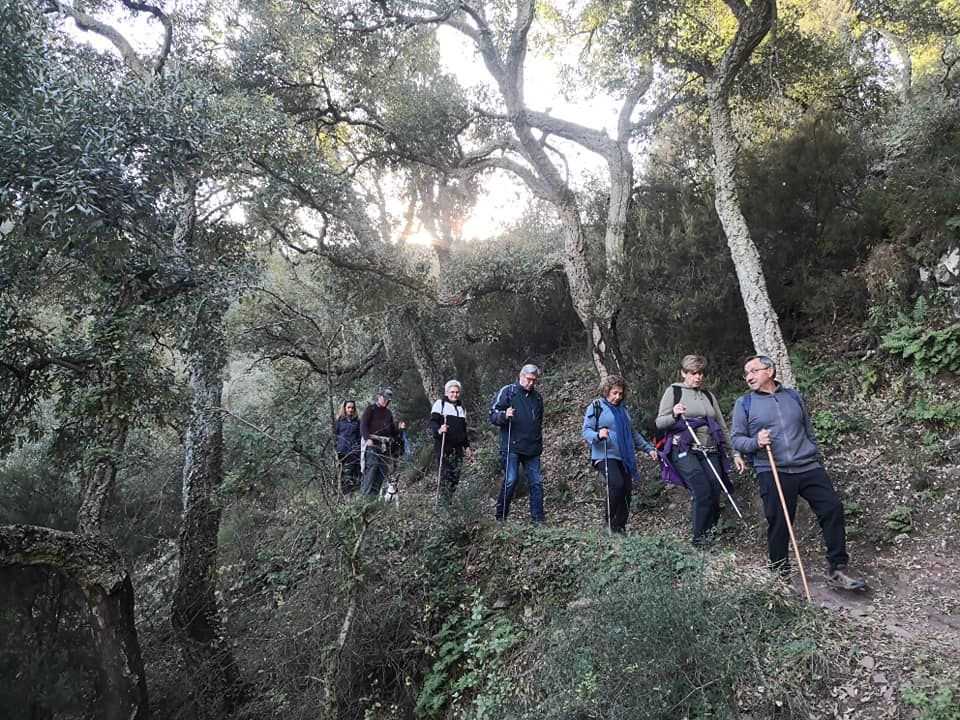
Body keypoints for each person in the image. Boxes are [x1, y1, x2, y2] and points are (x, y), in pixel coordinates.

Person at [731, 355, 865, 589]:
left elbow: (808, 431)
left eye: (754, 370)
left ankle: (838, 569)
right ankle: (779, 577)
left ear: (770, 371)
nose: (749, 376)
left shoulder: (792, 396)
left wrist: (817, 459)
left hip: (808, 466)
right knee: (780, 522)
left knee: (832, 508)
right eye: (746, 373)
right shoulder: (744, 404)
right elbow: (737, 440)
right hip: (772, 469)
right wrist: (756, 442)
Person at [656, 354, 746, 546]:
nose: (697, 377)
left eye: (700, 373)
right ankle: (699, 543)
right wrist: (674, 414)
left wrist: (735, 453)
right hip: (684, 449)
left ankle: (709, 536)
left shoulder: (708, 396)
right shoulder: (674, 392)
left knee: (715, 489)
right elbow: (660, 422)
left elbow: (721, 426)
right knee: (702, 490)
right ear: (683, 373)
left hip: (710, 448)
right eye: (692, 373)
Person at [582, 374, 658, 533]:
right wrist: (598, 435)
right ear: (606, 390)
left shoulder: (623, 411)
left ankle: (619, 527)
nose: (617, 396)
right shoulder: (596, 407)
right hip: (604, 454)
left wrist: (648, 448)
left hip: (624, 456)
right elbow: (586, 431)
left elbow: (633, 434)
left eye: (620, 394)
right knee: (617, 484)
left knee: (626, 492)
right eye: (614, 392)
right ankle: (608, 523)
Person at [489, 364, 545, 523]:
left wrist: (538, 444)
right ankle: (501, 517)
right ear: (521, 376)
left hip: (532, 448)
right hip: (511, 446)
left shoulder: (537, 398)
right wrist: (504, 415)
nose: (531, 383)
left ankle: (538, 520)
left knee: (536, 483)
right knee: (511, 480)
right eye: (528, 379)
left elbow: (539, 421)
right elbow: (493, 414)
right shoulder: (508, 391)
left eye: (534, 380)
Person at [430, 380, 473, 504]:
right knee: (446, 474)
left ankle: (448, 501)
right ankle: (443, 505)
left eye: (457, 392)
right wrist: (439, 429)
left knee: (456, 475)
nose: (455, 394)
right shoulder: (440, 404)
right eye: (452, 392)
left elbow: (463, 430)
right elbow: (433, 421)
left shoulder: (462, 408)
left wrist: (467, 447)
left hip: (458, 446)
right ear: (446, 392)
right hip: (443, 445)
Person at [360, 388, 406, 497]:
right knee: (372, 468)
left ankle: (374, 498)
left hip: (384, 446)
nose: (386, 401)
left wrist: (399, 427)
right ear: (379, 397)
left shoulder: (388, 413)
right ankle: (366, 497)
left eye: (388, 400)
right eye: (384, 399)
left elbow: (391, 430)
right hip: (372, 443)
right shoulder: (370, 409)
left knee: (383, 470)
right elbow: (363, 426)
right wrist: (367, 439)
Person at [334, 399, 362, 495]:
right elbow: (335, 435)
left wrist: (357, 447)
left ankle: (350, 495)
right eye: (349, 407)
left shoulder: (357, 421)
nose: (350, 410)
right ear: (344, 408)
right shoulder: (339, 421)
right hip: (341, 451)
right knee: (341, 474)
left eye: (352, 408)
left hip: (353, 452)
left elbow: (360, 436)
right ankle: (342, 495)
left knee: (351, 474)